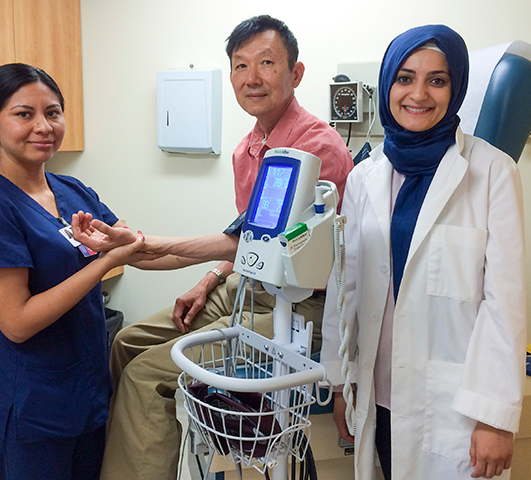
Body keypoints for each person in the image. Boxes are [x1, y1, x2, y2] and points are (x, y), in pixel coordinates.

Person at [97, 15, 354, 480]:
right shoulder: (247, 150)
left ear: (295, 74)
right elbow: (245, 245)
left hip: (304, 307)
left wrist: (144, 245)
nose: (251, 77)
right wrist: (209, 278)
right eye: (240, 65)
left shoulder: (318, 151)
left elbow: (270, 245)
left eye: (267, 63)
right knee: (125, 343)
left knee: (147, 375)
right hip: (246, 287)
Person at [320, 25, 527, 480]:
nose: (419, 94)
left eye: (437, 80)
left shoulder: (492, 172)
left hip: (454, 407)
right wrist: (339, 383)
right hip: (378, 395)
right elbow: (344, 287)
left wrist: (494, 417)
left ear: (456, 89)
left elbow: (504, 305)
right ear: (387, 84)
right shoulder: (365, 176)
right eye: (405, 78)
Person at [0, 63, 150, 480]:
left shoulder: (73, 191)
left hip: (87, 394)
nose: (43, 126)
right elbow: (18, 322)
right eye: (24, 114)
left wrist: (226, 252)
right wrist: (105, 263)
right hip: (32, 408)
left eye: (53, 112)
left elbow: (134, 248)